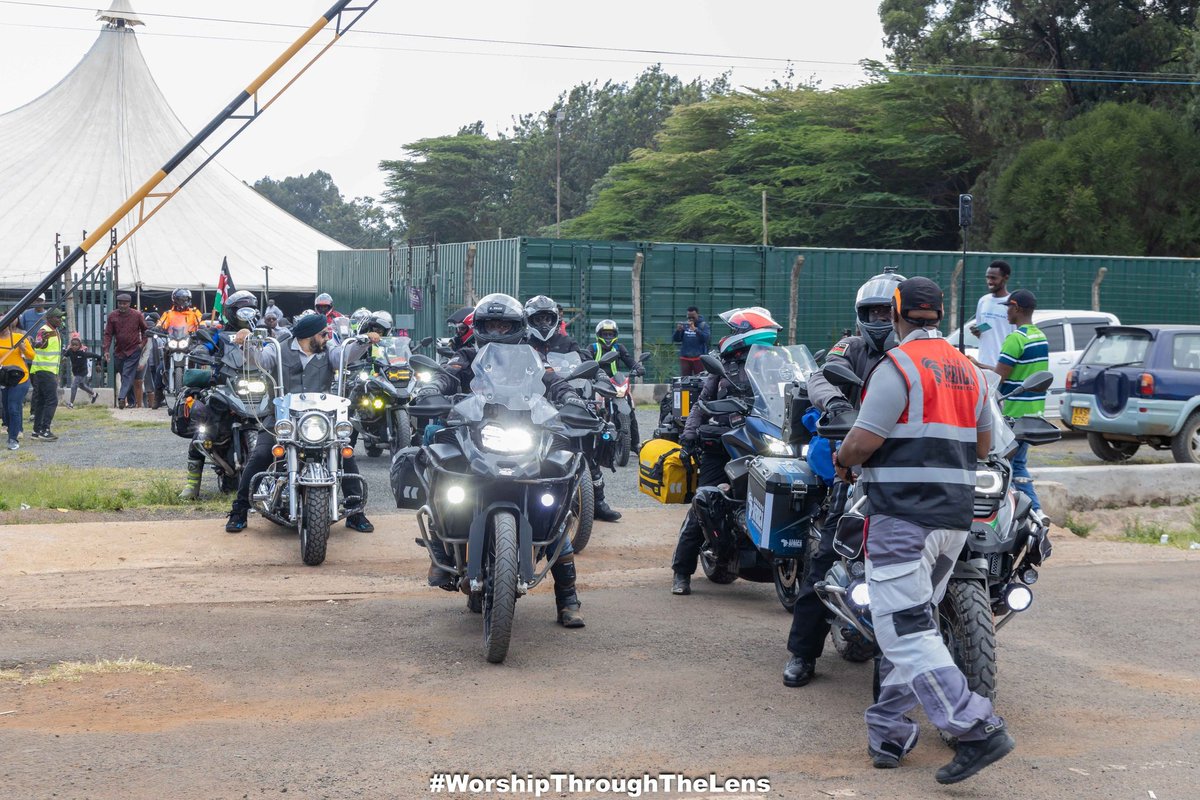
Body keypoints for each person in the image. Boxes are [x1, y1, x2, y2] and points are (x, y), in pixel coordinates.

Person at [832, 277, 1014, 783]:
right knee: (916, 623)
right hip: (954, 520)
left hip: (902, 517)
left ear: (896, 313)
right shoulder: (970, 371)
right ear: (939, 312)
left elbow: (863, 440)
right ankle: (889, 729)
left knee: (901, 628)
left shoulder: (898, 368)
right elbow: (982, 446)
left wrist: (844, 460)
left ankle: (976, 727)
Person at [418, 293, 590, 628]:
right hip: (478, 433)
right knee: (444, 472)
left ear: (517, 328)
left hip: (525, 434)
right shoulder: (467, 353)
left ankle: (568, 599)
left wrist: (571, 398)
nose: (497, 331)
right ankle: (442, 545)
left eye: (504, 325)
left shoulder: (533, 358)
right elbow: (446, 375)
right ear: (479, 328)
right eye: (490, 325)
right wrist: (430, 391)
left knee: (552, 505)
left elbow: (553, 382)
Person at [783, 270, 904, 688]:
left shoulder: (918, 352)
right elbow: (820, 375)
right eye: (871, 310)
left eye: (887, 310)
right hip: (855, 469)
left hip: (909, 468)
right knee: (827, 558)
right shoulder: (851, 347)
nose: (879, 317)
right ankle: (802, 653)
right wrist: (836, 404)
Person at [224, 311, 373, 534]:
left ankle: (355, 511)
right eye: (323, 334)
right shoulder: (278, 348)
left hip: (320, 419)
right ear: (309, 336)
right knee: (262, 454)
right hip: (283, 418)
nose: (327, 338)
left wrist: (365, 342)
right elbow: (260, 360)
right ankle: (239, 510)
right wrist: (247, 342)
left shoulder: (328, 351)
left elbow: (345, 355)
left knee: (344, 453)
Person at [670, 307, 781, 596]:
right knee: (704, 500)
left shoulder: (775, 364)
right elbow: (701, 403)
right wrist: (689, 436)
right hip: (721, 444)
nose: (729, 337)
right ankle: (681, 571)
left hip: (761, 439)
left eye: (735, 331)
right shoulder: (724, 366)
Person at [525, 295, 622, 524]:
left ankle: (597, 502)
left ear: (555, 319)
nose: (544, 324)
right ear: (529, 320)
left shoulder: (567, 343)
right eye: (538, 319)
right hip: (533, 404)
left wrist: (601, 378)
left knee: (589, 448)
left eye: (548, 318)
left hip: (568, 400)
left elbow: (586, 360)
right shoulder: (523, 343)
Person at [974, 288, 1048, 513]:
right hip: (1034, 413)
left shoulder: (1016, 339)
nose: (1006, 312)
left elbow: (998, 377)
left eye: (1009, 307)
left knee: (1010, 466)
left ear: (1017, 308)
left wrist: (975, 366)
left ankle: (1034, 511)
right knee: (1018, 464)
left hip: (1014, 414)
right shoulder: (1040, 336)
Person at [180, 291, 259, 500]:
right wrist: (202, 351)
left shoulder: (261, 334)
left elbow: (273, 349)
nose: (246, 315)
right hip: (224, 384)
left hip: (253, 384)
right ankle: (192, 485)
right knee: (204, 429)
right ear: (232, 313)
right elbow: (203, 345)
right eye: (242, 310)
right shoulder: (219, 333)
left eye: (250, 309)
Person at [591, 319, 643, 449]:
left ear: (615, 335)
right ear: (599, 335)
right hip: (596, 382)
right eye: (605, 334)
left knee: (630, 411)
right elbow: (585, 360)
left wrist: (638, 367)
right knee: (590, 408)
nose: (608, 337)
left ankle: (635, 444)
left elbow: (628, 359)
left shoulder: (619, 348)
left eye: (611, 334)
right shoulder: (593, 348)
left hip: (615, 382)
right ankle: (590, 441)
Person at [102, 293, 148, 409]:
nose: (122, 306)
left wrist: (142, 345)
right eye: (120, 303)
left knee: (127, 374)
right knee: (125, 376)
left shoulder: (137, 315)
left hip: (134, 349)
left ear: (129, 304)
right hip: (119, 351)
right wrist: (106, 349)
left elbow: (145, 331)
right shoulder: (112, 316)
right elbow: (108, 334)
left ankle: (121, 398)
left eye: (125, 303)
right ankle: (131, 402)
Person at [969, 260, 1014, 368]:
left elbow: (1016, 337)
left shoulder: (1012, 303)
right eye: (987, 277)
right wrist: (977, 332)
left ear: (1006, 278)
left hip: (1003, 367)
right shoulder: (983, 301)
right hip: (983, 364)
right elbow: (982, 332)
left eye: (993, 278)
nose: (989, 281)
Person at [29, 308, 65, 441]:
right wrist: (40, 343)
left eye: (60, 318)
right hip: (44, 370)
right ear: (49, 318)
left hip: (45, 370)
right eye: (57, 317)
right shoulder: (45, 331)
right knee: (52, 400)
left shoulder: (54, 330)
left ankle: (36, 431)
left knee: (42, 401)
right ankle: (45, 430)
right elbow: (39, 344)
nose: (60, 320)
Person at [1, 316, 36, 450]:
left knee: (13, 407)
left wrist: (23, 348)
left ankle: (13, 439)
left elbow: (32, 356)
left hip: (20, 378)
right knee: (6, 409)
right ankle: (12, 431)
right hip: (4, 379)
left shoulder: (18, 337)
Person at [64, 336, 101, 407]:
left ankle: (71, 404)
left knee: (74, 385)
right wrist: (63, 357)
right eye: (73, 345)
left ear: (80, 345)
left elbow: (97, 356)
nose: (74, 347)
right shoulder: (70, 351)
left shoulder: (83, 353)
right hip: (76, 372)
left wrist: (98, 364)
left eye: (76, 345)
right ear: (70, 345)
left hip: (82, 372)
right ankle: (94, 394)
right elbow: (65, 355)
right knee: (81, 386)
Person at [672, 306, 710, 377]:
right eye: (689, 317)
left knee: (699, 379)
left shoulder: (703, 325)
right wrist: (678, 331)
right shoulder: (685, 325)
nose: (691, 319)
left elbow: (706, 338)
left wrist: (695, 329)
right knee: (685, 380)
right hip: (685, 358)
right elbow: (676, 339)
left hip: (699, 358)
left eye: (693, 317)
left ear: (697, 315)